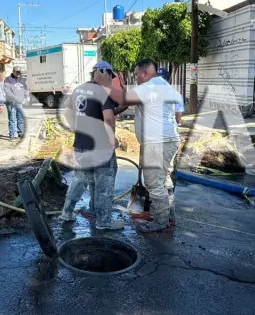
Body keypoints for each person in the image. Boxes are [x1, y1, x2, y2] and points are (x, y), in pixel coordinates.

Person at [102, 59, 184, 233]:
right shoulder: (162, 86)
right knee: (164, 181)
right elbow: (127, 102)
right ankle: (169, 217)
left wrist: (104, 85)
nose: (136, 78)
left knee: (154, 184)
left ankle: (160, 222)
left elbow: (123, 98)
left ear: (145, 73)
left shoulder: (149, 87)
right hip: (168, 141)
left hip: (157, 143)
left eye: (137, 74)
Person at [59, 61, 123, 230]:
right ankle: (104, 222)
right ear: (106, 73)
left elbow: (67, 112)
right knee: (104, 184)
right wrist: (112, 138)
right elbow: (108, 117)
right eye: (111, 77)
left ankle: (67, 212)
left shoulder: (80, 88)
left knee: (79, 180)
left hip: (81, 144)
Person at [4, 66, 29, 141]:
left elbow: (25, 89)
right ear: (13, 72)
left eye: (19, 73)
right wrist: (15, 98)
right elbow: (7, 91)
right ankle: (12, 135)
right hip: (11, 103)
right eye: (17, 72)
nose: (18, 74)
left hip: (19, 103)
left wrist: (27, 96)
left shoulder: (22, 79)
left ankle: (20, 133)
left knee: (20, 118)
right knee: (12, 119)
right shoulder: (8, 80)